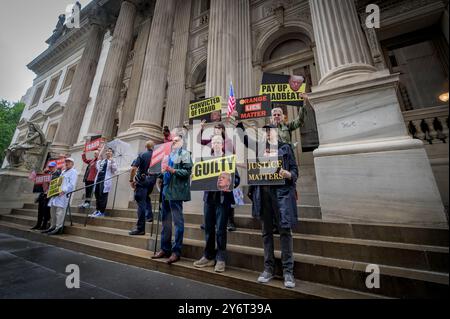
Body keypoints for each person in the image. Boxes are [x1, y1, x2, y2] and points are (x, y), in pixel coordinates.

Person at [248, 125, 298, 288]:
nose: (268, 133)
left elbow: (295, 171)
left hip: (281, 194)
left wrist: (289, 174)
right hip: (263, 195)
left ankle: (288, 271)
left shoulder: (285, 148)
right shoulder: (260, 149)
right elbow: (254, 171)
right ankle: (268, 268)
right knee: (266, 233)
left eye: (270, 130)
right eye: (266, 131)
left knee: (285, 231)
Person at [193, 135, 240, 273]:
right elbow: (199, 177)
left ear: (222, 144)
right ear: (212, 145)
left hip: (222, 199)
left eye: (219, 142)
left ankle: (220, 258)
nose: (217, 144)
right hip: (209, 199)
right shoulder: (206, 160)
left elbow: (236, 179)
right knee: (208, 228)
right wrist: (195, 177)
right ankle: (208, 256)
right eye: (214, 142)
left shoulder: (229, 160)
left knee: (220, 229)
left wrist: (229, 182)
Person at [152, 135, 192, 264]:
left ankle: (176, 252)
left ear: (182, 142)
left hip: (176, 192)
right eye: (173, 141)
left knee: (177, 222)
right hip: (165, 190)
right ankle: (165, 249)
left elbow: (187, 172)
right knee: (165, 220)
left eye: (176, 140)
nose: (174, 142)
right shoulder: (168, 155)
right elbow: (164, 171)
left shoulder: (185, 154)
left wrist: (172, 170)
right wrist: (160, 175)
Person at [197, 121, 236, 231]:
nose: (216, 131)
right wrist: (201, 128)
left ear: (223, 130)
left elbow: (232, 155)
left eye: (218, 129)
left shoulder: (227, 141)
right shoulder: (211, 141)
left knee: (226, 198)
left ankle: (229, 221)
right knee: (210, 199)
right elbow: (199, 140)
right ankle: (208, 222)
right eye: (215, 129)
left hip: (225, 171)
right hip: (212, 172)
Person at [129, 141, 157, 235]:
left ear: (146, 146)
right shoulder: (157, 155)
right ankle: (149, 215)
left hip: (142, 181)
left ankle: (140, 229)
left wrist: (131, 180)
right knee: (146, 198)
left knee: (141, 205)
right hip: (151, 182)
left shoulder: (142, 154)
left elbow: (133, 168)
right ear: (153, 147)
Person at [45, 157, 78, 235]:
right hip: (56, 194)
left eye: (69, 162)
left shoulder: (73, 172)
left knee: (59, 212)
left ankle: (58, 227)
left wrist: (64, 191)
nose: (67, 163)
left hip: (63, 195)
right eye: (66, 162)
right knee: (52, 211)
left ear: (72, 164)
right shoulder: (63, 172)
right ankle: (52, 226)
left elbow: (72, 185)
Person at [31, 162, 60, 230]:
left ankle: (44, 225)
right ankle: (38, 224)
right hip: (43, 193)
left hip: (50, 195)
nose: (51, 168)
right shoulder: (48, 173)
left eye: (52, 167)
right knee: (40, 210)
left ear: (56, 167)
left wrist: (48, 177)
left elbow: (57, 180)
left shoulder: (58, 173)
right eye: (50, 167)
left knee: (46, 211)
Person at [89, 148, 117, 218]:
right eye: (107, 151)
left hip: (105, 181)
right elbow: (98, 168)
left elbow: (114, 170)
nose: (108, 152)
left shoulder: (113, 161)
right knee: (97, 195)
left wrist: (112, 162)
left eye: (110, 151)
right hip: (98, 179)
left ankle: (102, 212)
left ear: (112, 153)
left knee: (103, 196)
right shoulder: (102, 161)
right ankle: (97, 210)